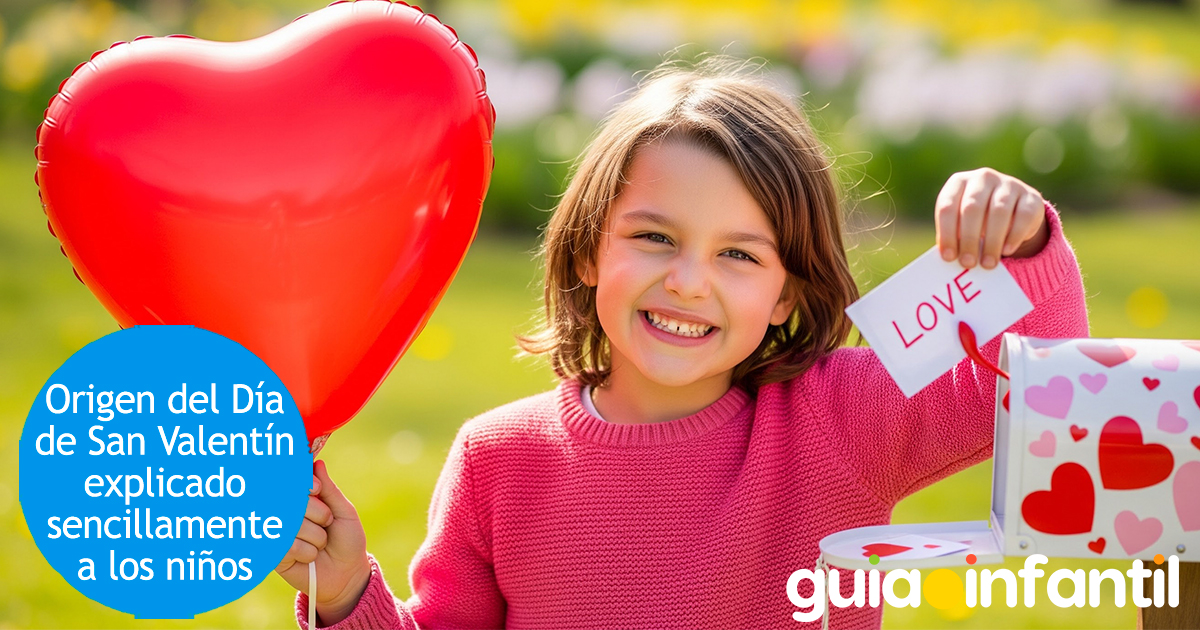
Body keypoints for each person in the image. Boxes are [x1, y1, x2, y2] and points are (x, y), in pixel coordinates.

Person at [275, 56, 1089, 629]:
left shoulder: (839, 421)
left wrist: (1026, 248)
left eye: (738, 255)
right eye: (655, 238)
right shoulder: (498, 460)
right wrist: (346, 592)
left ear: (787, 295)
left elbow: (1045, 404)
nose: (689, 281)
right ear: (591, 249)